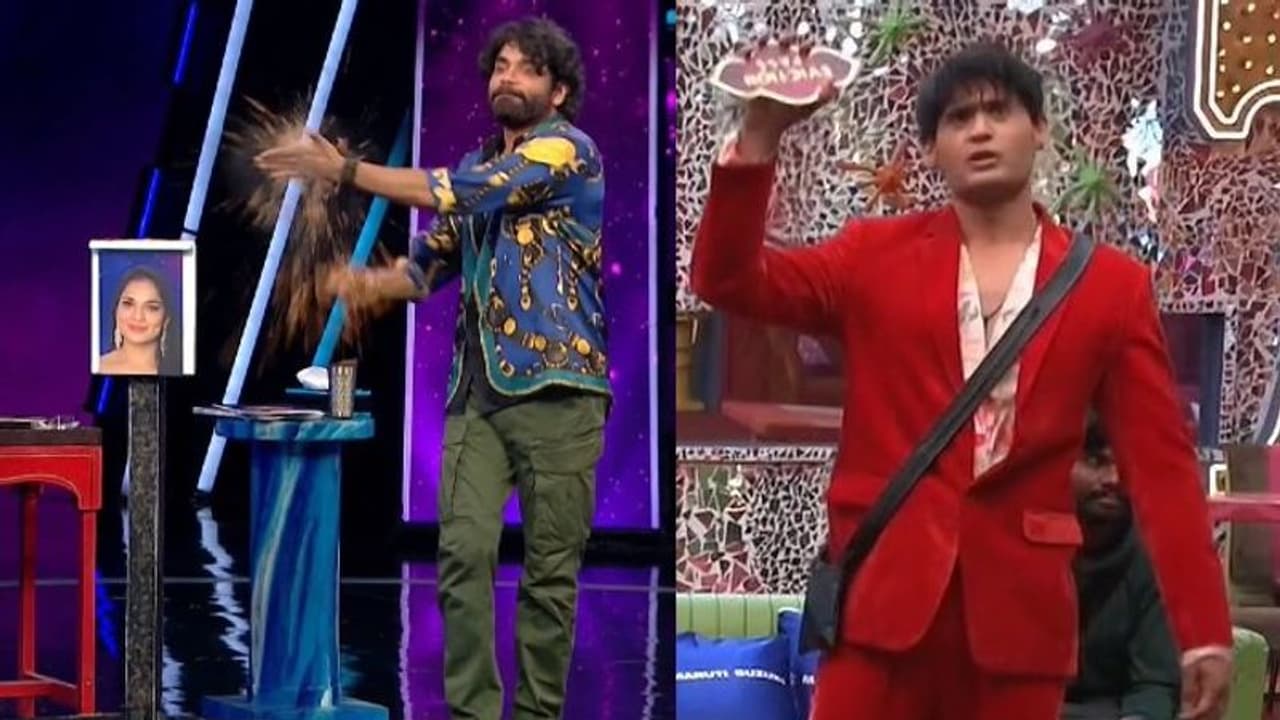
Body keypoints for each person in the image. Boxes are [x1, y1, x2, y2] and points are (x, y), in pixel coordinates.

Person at [690, 41, 1231, 719]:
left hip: (1019, 625)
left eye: (999, 111)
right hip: (881, 611)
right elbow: (727, 280)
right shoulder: (873, 258)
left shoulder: (1111, 287)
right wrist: (758, 139)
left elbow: (1162, 467)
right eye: (958, 118)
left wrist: (1203, 629)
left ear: (1039, 130)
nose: (979, 129)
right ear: (930, 150)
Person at [255, 17, 607, 720]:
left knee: (550, 577)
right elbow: (425, 267)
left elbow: (460, 192)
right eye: (499, 65)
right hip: (477, 395)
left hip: (559, 391)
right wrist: (363, 285)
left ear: (558, 91)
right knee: (461, 559)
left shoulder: (568, 151)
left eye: (526, 68)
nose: (507, 77)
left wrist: (345, 171)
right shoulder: (480, 162)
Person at [1061, 415, 1180, 720]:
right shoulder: (1018, 548)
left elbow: (1154, 687)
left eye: (1124, 463)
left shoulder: (1155, 558)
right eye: (1096, 461)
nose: (1114, 478)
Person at [99, 266, 181, 376]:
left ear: (166, 319)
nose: (138, 317)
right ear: (116, 311)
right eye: (128, 304)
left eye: (152, 308)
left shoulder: (180, 370)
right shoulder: (98, 367)